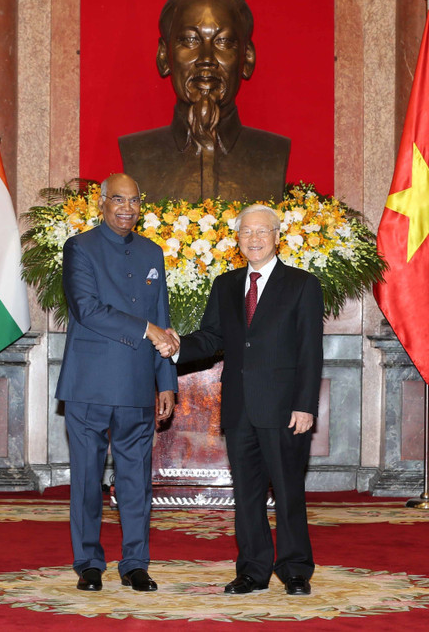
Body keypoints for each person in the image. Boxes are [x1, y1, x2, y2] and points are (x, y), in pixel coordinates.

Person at [161, 204, 323, 595]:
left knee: (287, 490)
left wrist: (305, 405)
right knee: (247, 494)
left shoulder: (302, 284)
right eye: (246, 232)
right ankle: (252, 570)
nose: (253, 238)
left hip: (285, 409)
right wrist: (178, 345)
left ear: (277, 237)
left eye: (261, 231)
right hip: (238, 409)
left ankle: (295, 569)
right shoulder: (226, 284)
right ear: (237, 239)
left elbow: (309, 350)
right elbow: (213, 337)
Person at [55, 173, 179, 593]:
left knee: (135, 480)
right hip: (89, 384)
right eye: (118, 200)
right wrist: (148, 330)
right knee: (88, 479)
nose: (126, 208)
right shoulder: (80, 248)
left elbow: (161, 321)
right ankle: (89, 562)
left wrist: (166, 381)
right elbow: (88, 309)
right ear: (102, 204)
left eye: (134, 201)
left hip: (135, 384)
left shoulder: (152, 252)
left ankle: (135, 563)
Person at [119, 0, 289, 203]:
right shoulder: (138, 153)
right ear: (164, 56)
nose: (206, 59)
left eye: (223, 41)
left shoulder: (273, 153)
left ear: (247, 58)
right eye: (190, 40)